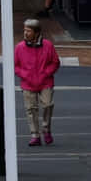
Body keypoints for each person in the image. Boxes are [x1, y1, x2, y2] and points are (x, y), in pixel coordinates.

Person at [13, 17, 59, 146]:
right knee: (31, 109)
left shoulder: (48, 45)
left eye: (28, 31)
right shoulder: (19, 47)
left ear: (37, 32)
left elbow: (55, 62)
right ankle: (35, 135)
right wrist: (24, 74)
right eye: (25, 30)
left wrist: (46, 73)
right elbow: (16, 66)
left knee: (48, 105)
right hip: (28, 82)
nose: (25, 33)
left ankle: (46, 129)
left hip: (45, 81)